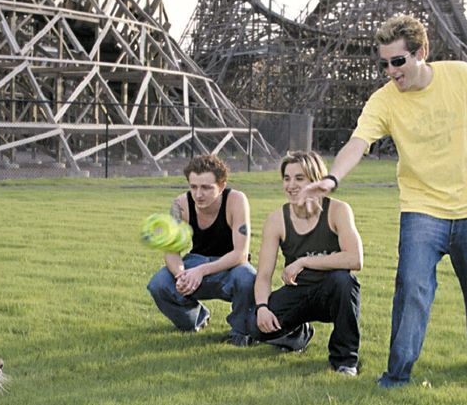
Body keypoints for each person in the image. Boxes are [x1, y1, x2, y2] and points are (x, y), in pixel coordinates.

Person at [300, 14, 467, 387]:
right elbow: (357, 142)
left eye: (397, 61)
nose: (391, 71)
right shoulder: (383, 101)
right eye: (384, 63)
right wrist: (332, 178)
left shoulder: (461, 76)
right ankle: (397, 376)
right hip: (421, 210)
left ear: (421, 53)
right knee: (412, 291)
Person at [240, 151, 363, 376]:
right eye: (287, 178)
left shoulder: (338, 210)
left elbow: (355, 259)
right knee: (252, 326)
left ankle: (345, 361)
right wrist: (262, 308)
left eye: (299, 178)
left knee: (344, 281)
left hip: (332, 293)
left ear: (316, 180)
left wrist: (304, 261)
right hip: (299, 292)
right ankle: (298, 334)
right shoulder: (277, 219)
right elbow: (264, 274)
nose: (291, 185)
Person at [147, 154, 256, 338]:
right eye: (193, 187)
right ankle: (194, 320)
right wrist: (181, 274)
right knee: (159, 284)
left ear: (221, 186)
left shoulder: (236, 200)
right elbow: (171, 252)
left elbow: (240, 254)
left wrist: (201, 271)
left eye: (206, 187)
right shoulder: (181, 204)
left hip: (229, 265)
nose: (198, 194)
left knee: (248, 278)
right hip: (195, 261)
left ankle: (240, 332)